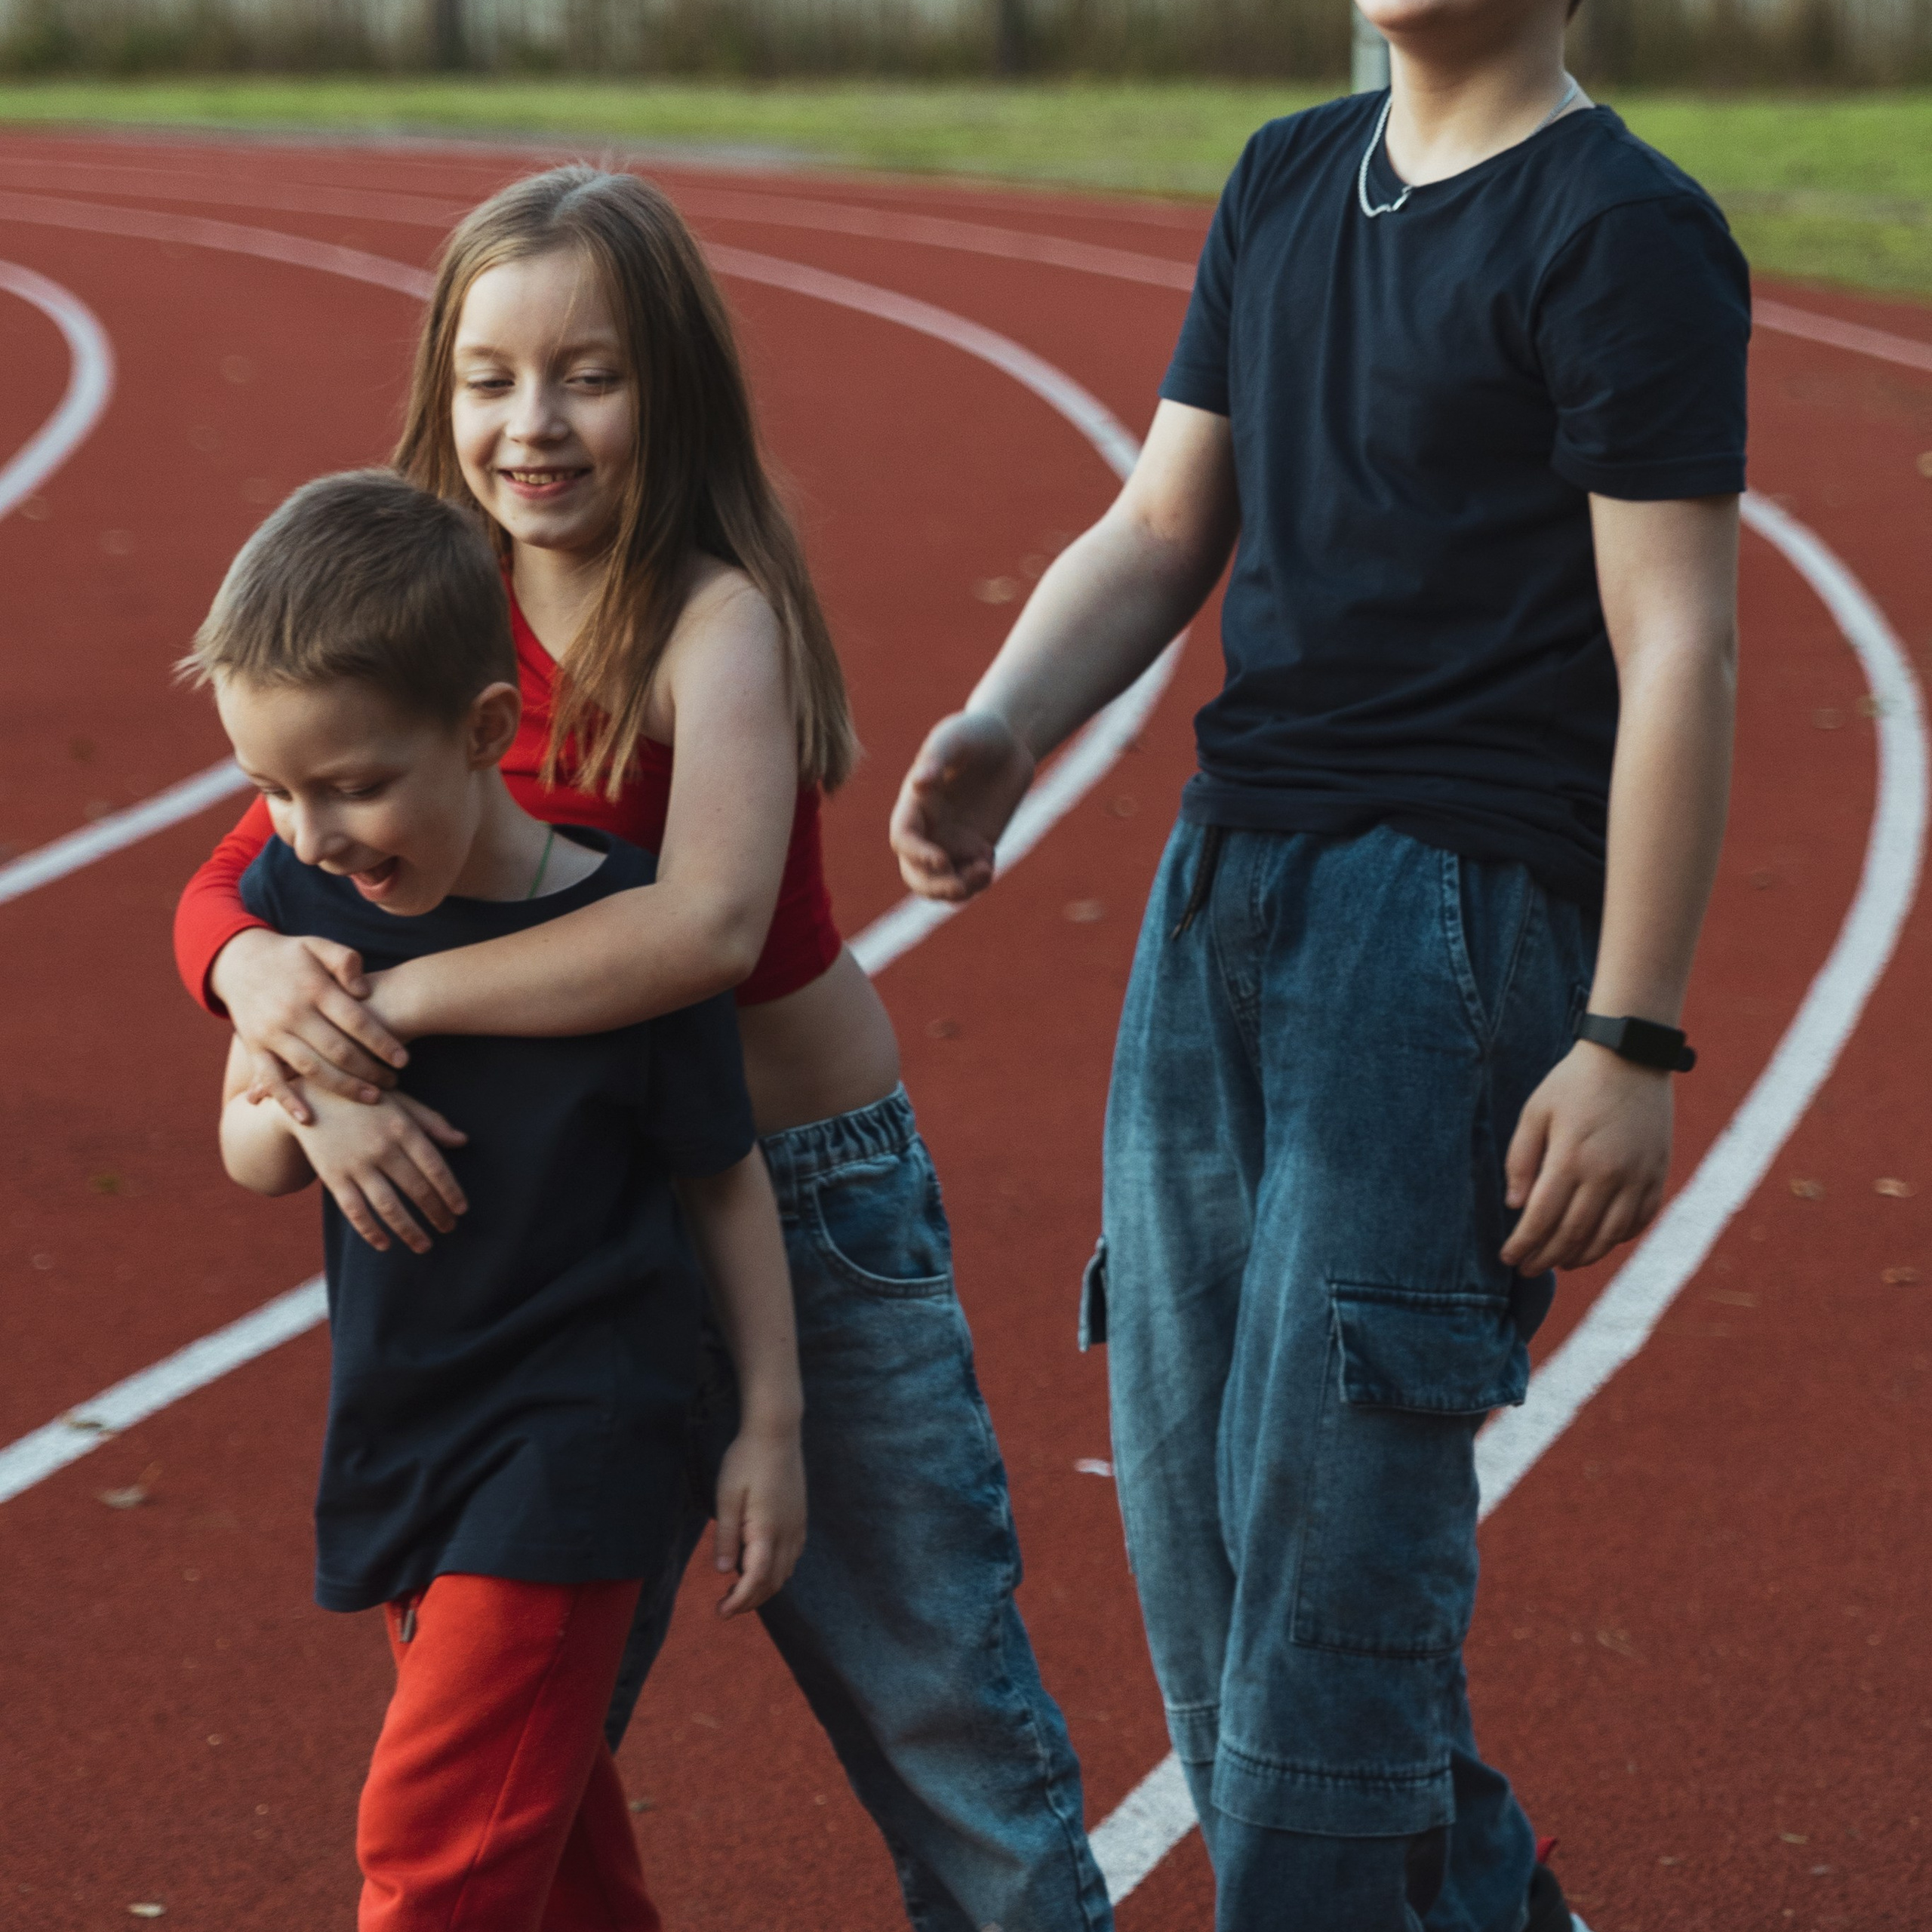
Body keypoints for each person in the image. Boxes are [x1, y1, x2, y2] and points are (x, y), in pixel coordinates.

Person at [888, 0, 1749, 1924]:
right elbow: (1161, 520)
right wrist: (1005, 725)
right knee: (1204, 1534)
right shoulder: (1285, 175)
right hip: (1224, 896)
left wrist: (1628, 1029)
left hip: (1440, 923)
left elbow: (1677, 641)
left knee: (1335, 1537)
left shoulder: (1619, 227)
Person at [172, 168, 1111, 1931]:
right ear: (438, 394)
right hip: (551, 1238)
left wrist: (387, 1009)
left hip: (795, 1205)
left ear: (668, 386)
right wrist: (251, 992)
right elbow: (235, 873)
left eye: (585, 374)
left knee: (935, 1704)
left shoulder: (707, 614)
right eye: (487, 376)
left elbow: (700, 929)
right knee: (522, 1749)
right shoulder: (411, 617)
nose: (531, 422)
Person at [196, 469, 807, 1928]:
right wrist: (310, 1100)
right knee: (560, 1845)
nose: (311, 830)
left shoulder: (624, 930)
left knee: (437, 1851)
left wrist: (771, 1426)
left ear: (481, 732)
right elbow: (242, 1146)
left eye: (351, 785)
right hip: (410, 1426)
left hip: (577, 1440)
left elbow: (722, 1184)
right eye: (274, 790)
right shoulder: (300, 914)